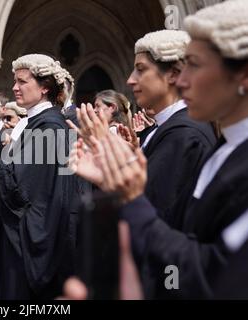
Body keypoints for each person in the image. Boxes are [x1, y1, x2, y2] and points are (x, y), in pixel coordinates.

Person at [70, 0, 248, 299]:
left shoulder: (190, 136)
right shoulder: (224, 147)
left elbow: (212, 273)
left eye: (195, 65)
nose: (184, 80)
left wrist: (130, 196)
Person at [0, 54, 78, 299]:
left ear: (44, 87)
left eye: (22, 82)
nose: (14, 88)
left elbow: (17, 190)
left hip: (28, 245)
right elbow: (13, 172)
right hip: (19, 238)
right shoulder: (38, 123)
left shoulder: (50, 127)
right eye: (15, 81)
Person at [126, 29, 216, 223]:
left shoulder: (184, 134)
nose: (131, 80)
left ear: (173, 75)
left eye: (141, 69)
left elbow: (154, 213)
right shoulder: (164, 128)